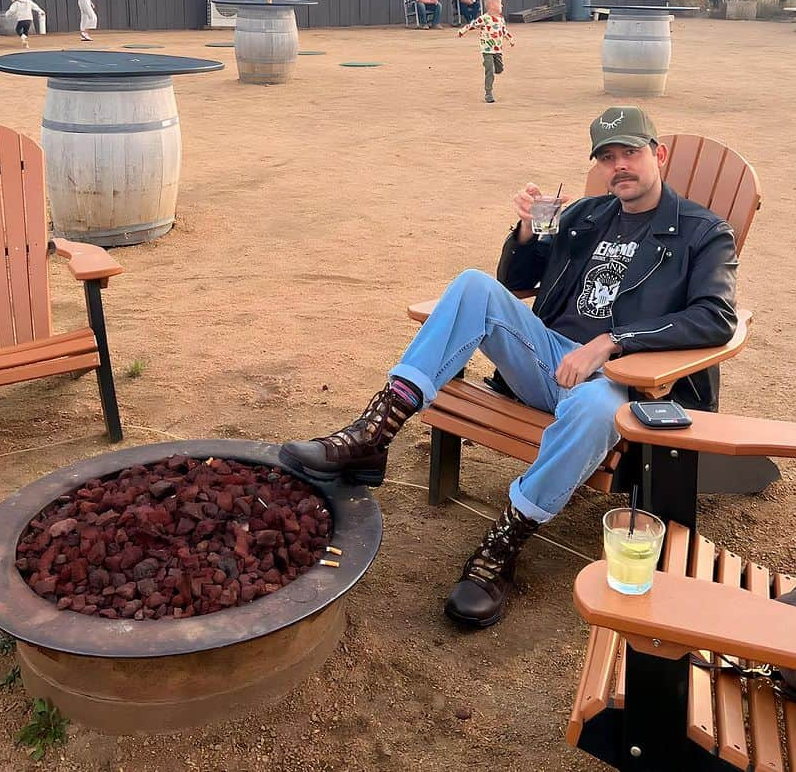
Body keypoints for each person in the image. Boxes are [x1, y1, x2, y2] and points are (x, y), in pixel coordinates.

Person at [280, 106, 738, 628]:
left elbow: (716, 316)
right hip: (548, 361)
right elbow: (516, 278)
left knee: (593, 405)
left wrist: (612, 344)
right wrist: (526, 231)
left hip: (628, 386)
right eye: (607, 158)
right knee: (474, 283)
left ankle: (501, 547)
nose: (619, 167)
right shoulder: (586, 216)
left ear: (659, 155)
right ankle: (374, 433)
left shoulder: (704, 233)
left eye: (630, 153)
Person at [458, 0, 515, 104]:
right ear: (492, 5)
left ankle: (494, 67)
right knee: (490, 70)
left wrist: (510, 39)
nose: (502, 6)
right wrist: (462, 31)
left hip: (498, 49)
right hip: (487, 49)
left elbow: (504, 31)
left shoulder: (501, 20)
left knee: (499, 69)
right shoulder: (484, 18)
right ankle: (488, 93)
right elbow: (472, 24)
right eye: (500, 4)